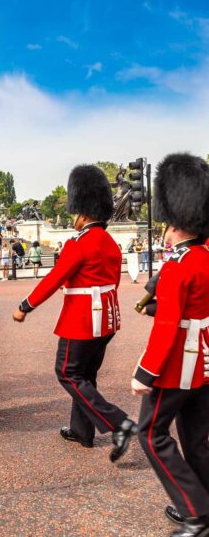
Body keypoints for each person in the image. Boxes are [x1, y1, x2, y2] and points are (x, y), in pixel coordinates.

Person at [13, 164, 138, 463]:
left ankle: (117, 423)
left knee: (67, 372)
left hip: (82, 319)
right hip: (107, 318)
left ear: (82, 213)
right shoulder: (110, 243)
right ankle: (81, 431)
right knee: (86, 375)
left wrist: (25, 306)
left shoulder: (78, 243)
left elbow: (53, 278)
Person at [131, 154, 209, 537]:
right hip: (206, 363)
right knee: (196, 440)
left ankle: (195, 512)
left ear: (175, 223)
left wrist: (145, 372)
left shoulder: (178, 265)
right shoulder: (204, 259)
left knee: (151, 433)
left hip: (177, 364)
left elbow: (168, 326)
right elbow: (193, 308)